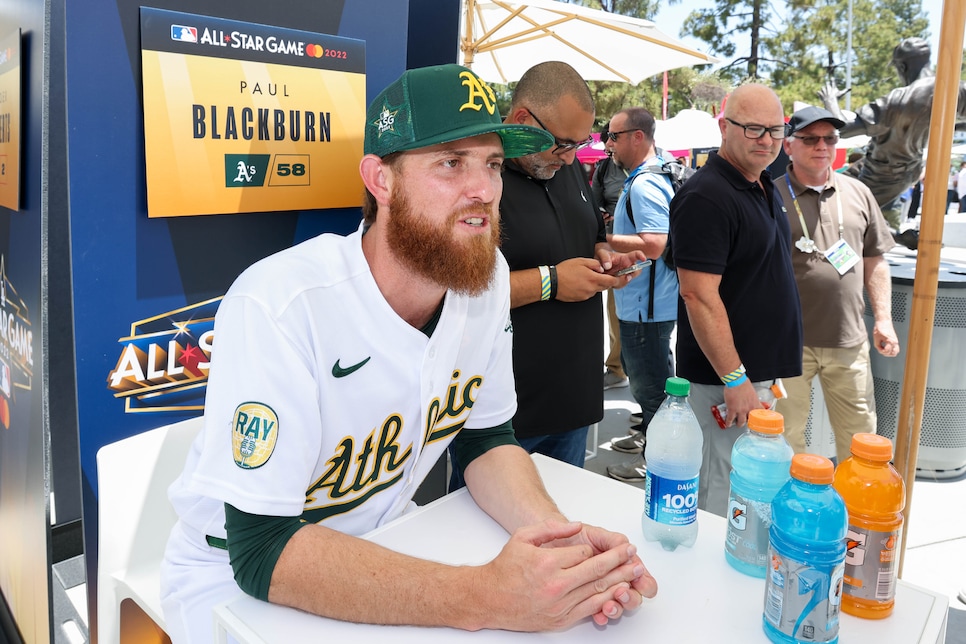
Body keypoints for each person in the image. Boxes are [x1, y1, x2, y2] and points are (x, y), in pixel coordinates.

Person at [159, 63, 656, 643]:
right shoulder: (283, 303)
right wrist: (487, 596)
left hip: (385, 546)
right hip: (235, 589)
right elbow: (260, 549)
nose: (483, 190)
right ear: (381, 180)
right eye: (450, 162)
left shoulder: (487, 276)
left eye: (493, 164)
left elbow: (485, 438)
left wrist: (559, 544)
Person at [469, 60, 644, 475]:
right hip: (507, 414)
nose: (570, 159)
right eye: (564, 144)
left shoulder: (559, 165)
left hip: (574, 399)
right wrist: (551, 282)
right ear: (523, 119)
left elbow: (582, 237)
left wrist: (605, 256)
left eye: (579, 145)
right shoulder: (477, 178)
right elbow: (455, 291)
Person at [669, 83, 803, 518]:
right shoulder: (707, 195)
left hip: (750, 378)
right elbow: (698, 294)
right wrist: (735, 378)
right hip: (723, 384)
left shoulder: (761, 183)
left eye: (776, 130)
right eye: (753, 129)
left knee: (745, 498)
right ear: (724, 127)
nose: (767, 140)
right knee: (720, 497)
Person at [774, 106, 900, 465]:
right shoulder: (770, 195)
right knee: (785, 438)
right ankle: (792, 514)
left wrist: (884, 319)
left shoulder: (858, 192)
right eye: (811, 138)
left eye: (830, 138)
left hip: (848, 340)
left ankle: (854, 518)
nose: (822, 146)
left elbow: (875, 259)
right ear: (789, 146)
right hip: (788, 343)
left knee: (860, 439)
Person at [599, 107, 678, 483]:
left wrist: (603, 239)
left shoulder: (645, 183)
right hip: (650, 303)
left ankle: (656, 462)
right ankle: (648, 437)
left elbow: (655, 244)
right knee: (652, 379)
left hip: (646, 308)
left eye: (614, 136)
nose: (608, 144)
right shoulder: (651, 174)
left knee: (652, 390)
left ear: (638, 137)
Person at [822, 38, 966, 231]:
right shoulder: (956, 89)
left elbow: (843, 127)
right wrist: (949, 127)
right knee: (832, 189)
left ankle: (894, 236)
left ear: (903, 66)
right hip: (904, 169)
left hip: (882, 174)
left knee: (835, 212)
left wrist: (830, 100)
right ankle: (894, 234)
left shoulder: (899, 99)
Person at [591, 131, 631, 392]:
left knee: (651, 326)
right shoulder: (604, 168)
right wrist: (603, 214)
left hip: (653, 260)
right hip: (614, 251)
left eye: (613, 137)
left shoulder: (660, 164)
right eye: (607, 138)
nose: (607, 144)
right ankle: (617, 368)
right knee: (617, 314)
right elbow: (593, 205)